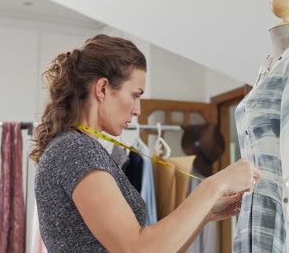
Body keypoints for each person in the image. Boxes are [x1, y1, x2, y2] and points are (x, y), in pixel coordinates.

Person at [30, 34, 260, 253]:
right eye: (135, 95)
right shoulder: (75, 151)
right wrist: (214, 185)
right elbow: (137, 248)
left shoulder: (81, 149)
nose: (138, 110)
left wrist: (206, 213)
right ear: (102, 89)